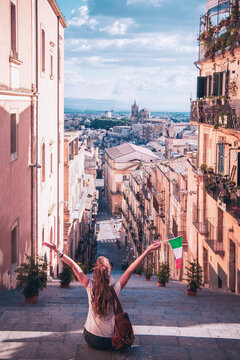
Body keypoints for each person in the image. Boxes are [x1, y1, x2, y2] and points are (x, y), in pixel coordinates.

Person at [43, 241, 161, 350]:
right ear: (109, 270)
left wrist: (56, 250)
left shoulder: (89, 286)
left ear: (95, 272)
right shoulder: (115, 289)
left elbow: (74, 266)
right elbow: (130, 270)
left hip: (92, 339)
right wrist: (147, 250)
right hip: (111, 341)